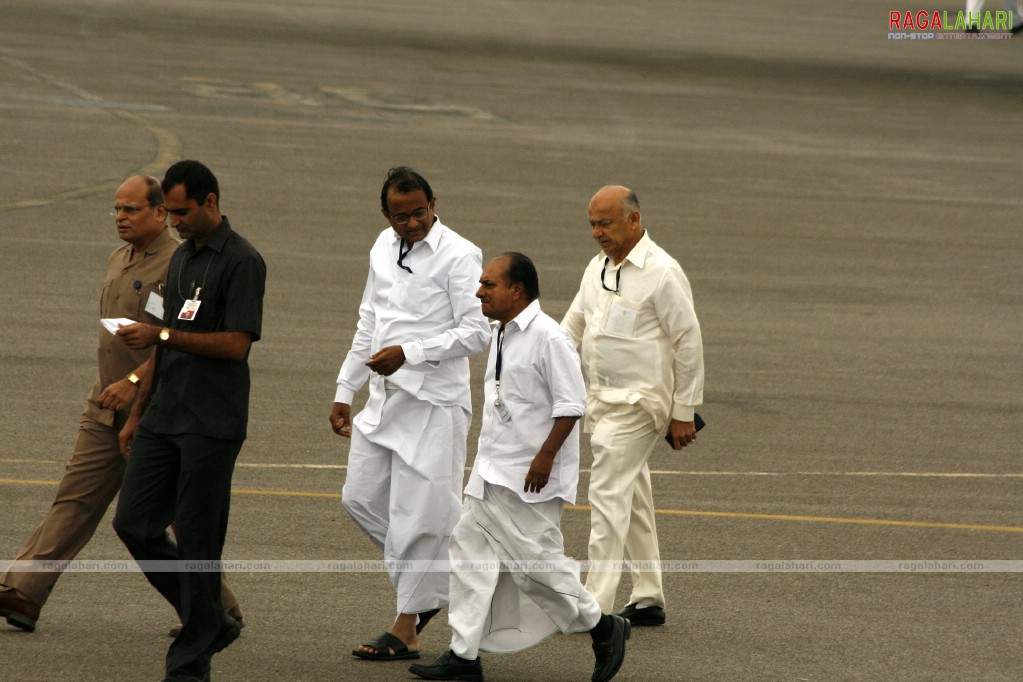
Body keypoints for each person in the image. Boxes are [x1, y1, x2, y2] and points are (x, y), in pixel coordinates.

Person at [0, 175, 241, 634]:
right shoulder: (119, 257)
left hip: (154, 406)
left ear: (159, 212)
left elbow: (175, 341)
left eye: (131, 209)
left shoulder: (179, 264)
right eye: (116, 209)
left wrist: (133, 381)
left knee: (163, 518)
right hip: (105, 401)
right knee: (74, 498)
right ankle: (24, 592)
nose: (121, 218)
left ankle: (219, 605)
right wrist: (112, 385)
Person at [410, 253, 630, 682]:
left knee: (535, 569)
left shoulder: (550, 338)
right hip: (492, 471)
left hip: (530, 479)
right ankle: (463, 655)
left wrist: (545, 457)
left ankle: (604, 627)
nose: (479, 292)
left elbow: (571, 406)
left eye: (488, 285)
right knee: (468, 552)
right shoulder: (501, 333)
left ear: (517, 290)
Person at [328, 166, 490, 661]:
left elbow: (478, 333)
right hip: (383, 400)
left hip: (435, 406)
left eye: (420, 212)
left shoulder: (460, 255)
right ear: (386, 214)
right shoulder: (382, 246)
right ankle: (459, 572)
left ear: (434, 203)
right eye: (401, 216)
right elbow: (369, 319)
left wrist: (411, 351)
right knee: (360, 499)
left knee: (419, 522)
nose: (412, 223)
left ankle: (408, 626)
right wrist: (344, 387)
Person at [113, 160, 266, 682]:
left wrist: (161, 338)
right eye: (170, 213)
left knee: (200, 544)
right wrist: (138, 412)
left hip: (210, 422)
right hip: (164, 413)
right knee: (133, 523)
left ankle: (189, 666)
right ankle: (209, 619)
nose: (174, 221)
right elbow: (160, 341)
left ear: (210, 202)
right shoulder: (179, 261)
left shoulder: (243, 262)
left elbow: (234, 344)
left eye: (181, 212)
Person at [561, 186, 704, 627]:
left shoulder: (662, 272)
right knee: (633, 495)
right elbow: (574, 325)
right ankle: (648, 595)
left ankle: (594, 606)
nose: (597, 233)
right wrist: (543, 365)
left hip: (641, 403)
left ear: (634, 220)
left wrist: (684, 410)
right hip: (602, 399)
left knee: (606, 494)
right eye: (592, 224)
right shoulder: (597, 267)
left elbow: (688, 339)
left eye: (605, 223)